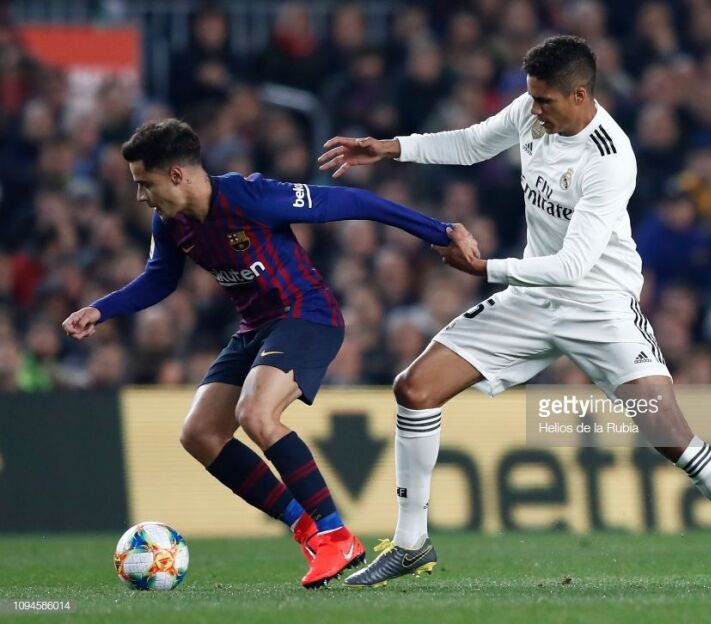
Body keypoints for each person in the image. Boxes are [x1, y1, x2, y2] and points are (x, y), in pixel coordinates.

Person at [318, 35, 711, 587]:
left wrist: (484, 269)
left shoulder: (610, 159)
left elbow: (573, 266)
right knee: (414, 389)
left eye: (544, 101)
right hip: (532, 297)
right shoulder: (532, 111)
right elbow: (473, 143)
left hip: (600, 306)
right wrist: (389, 148)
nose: (534, 110)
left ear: (579, 94)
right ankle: (411, 544)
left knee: (671, 437)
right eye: (531, 98)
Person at [63, 118, 453, 588]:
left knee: (255, 412)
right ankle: (307, 528)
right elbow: (160, 278)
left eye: (145, 184)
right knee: (200, 434)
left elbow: (355, 202)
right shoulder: (169, 222)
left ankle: (336, 534)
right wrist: (101, 309)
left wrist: (440, 231)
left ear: (177, 175)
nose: (142, 196)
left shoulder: (251, 197)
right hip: (255, 327)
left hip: (307, 314)